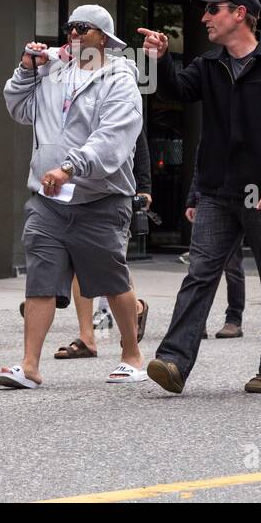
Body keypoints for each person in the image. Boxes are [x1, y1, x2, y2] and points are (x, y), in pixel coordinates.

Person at [140, 0, 261, 395]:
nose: (204, 18)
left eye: (212, 10)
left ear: (239, 14)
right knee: (200, 274)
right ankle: (173, 361)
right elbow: (175, 92)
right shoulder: (208, 65)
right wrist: (161, 59)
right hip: (217, 192)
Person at [0, 5, 146, 388]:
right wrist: (26, 70)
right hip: (48, 201)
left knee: (112, 279)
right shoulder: (53, 73)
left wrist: (68, 167)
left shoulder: (120, 81)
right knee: (40, 279)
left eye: (83, 28)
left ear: (104, 37)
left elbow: (112, 139)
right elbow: (19, 108)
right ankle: (29, 365)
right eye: (70, 28)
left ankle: (131, 354)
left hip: (100, 198)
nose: (74, 33)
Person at [55, 122, 151, 359]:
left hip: (113, 193)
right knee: (79, 263)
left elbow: (139, 142)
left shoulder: (117, 91)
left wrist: (145, 187)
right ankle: (87, 338)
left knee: (111, 264)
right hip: (77, 192)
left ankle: (135, 311)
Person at [185, 165, 246, 340]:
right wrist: (191, 201)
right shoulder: (209, 137)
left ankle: (234, 320)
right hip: (207, 201)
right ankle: (197, 320)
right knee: (199, 266)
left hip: (234, 200)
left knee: (233, 265)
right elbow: (200, 168)